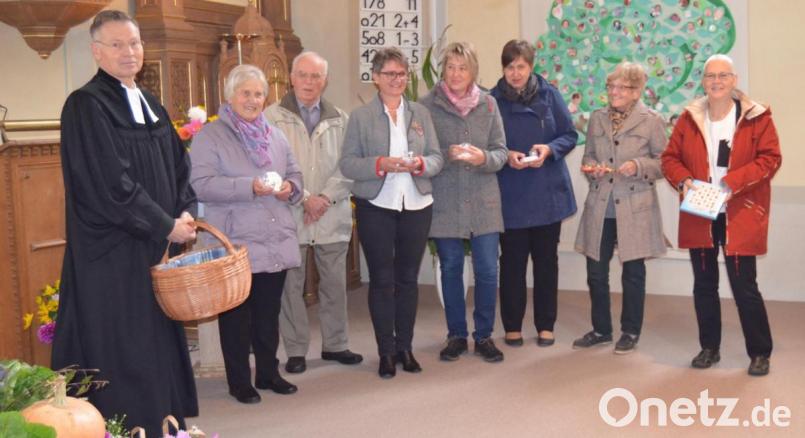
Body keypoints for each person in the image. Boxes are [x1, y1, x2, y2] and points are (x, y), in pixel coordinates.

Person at [52, 10, 198, 435]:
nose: (128, 52)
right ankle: (125, 425)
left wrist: (184, 210)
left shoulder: (150, 103)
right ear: (97, 52)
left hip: (151, 243)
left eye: (133, 43)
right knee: (124, 342)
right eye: (116, 45)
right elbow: (111, 185)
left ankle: (163, 420)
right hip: (111, 253)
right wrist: (164, 225)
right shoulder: (86, 105)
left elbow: (178, 166)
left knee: (155, 337)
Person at [661, 54, 782, 376]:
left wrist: (732, 182)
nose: (716, 81)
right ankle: (709, 348)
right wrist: (684, 180)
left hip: (739, 212)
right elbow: (670, 158)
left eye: (723, 75)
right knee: (704, 284)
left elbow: (770, 158)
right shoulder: (689, 118)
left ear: (734, 79)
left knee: (744, 286)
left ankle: (759, 352)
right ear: (703, 81)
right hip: (701, 211)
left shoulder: (757, 117)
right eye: (710, 76)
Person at [190, 64, 303, 403]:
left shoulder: (275, 134)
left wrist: (290, 187)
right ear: (230, 96)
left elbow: (295, 173)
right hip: (234, 243)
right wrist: (249, 186)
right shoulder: (210, 136)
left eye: (258, 94)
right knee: (236, 318)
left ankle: (268, 373)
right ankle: (239, 381)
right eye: (246, 93)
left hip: (273, 239)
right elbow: (201, 185)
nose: (253, 100)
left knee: (268, 314)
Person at [339, 48, 444, 378]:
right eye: (390, 74)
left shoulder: (421, 114)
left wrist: (422, 164)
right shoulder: (361, 117)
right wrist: (379, 164)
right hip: (377, 205)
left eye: (402, 74)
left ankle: (406, 348)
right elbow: (348, 164)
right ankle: (386, 351)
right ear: (376, 78)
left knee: (408, 280)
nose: (397, 80)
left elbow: (437, 158)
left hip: (416, 204)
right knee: (382, 281)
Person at [264, 52, 363, 374]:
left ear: (326, 80)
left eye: (316, 76)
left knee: (334, 284)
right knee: (291, 287)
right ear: (291, 78)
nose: (309, 82)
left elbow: (349, 166)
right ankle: (295, 350)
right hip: (288, 213)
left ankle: (336, 344)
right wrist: (304, 198)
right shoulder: (270, 118)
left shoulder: (342, 119)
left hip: (330, 213)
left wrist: (323, 198)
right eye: (303, 75)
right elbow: (269, 167)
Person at [419, 42, 508, 363]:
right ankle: (456, 334)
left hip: (484, 201)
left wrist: (482, 156)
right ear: (443, 70)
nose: (456, 74)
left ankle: (483, 336)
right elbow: (421, 155)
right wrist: (448, 154)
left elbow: (501, 153)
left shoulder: (488, 104)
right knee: (451, 268)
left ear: (473, 72)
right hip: (445, 200)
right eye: (451, 67)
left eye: (463, 68)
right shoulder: (426, 105)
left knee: (487, 270)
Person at [573, 62, 668, 354]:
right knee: (595, 272)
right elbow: (588, 156)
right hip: (601, 205)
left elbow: (665, 163)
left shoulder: (651, 120)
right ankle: (601, 329)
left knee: (633, 273)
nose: (614, 92)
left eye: (621, 87)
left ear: (637, 91)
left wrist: (638, 165)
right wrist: (592, 170)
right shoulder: (597, 119)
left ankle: (630, 331)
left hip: (634, 204)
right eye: (610, 86)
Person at [491, 39, 578, 347]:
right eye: (510, 67)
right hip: (510, 193)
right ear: (503, 68)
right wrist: (506, 155)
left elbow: (570, 134)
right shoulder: (491, 100)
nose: (516, 73)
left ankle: (546, 325)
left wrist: (549, 149)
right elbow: (486, 146)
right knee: (512, 263)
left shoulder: (550, 94)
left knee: (545, 262)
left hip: (547, 193)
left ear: (531, 67)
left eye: (522, 67)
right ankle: (512, 326)